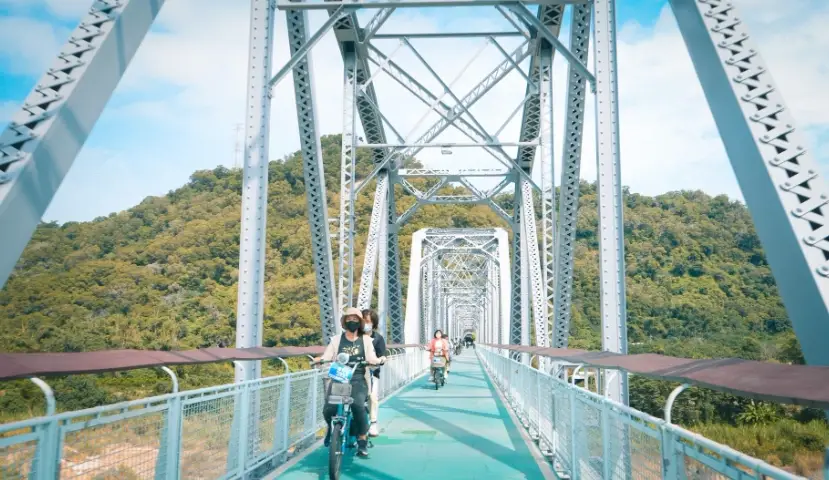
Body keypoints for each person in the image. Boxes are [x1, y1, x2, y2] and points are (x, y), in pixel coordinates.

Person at [314, 307, 386, 458]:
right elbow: (327, 355)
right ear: (344, 322)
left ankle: (362, 439)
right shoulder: (336, 339)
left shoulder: (366, 340)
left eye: (355, 319)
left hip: (358, 377)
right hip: (340, 376)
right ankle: (332, 429)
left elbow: (372, 357)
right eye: (348, 319)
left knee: (358, 405)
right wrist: (320, 359)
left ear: (359, 322)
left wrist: (378, 361)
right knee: (329, 408)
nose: (351, 321)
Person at [362, 308, 386, 437]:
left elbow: (382, 355)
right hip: (355, 371)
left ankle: (373, 423)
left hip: (372, 372)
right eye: (363, 321)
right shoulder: (355, 336)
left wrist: (381, 360)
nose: (365, 324)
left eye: (368, 321)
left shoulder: (378, 338)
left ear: (373, 323)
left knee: (372, 397)